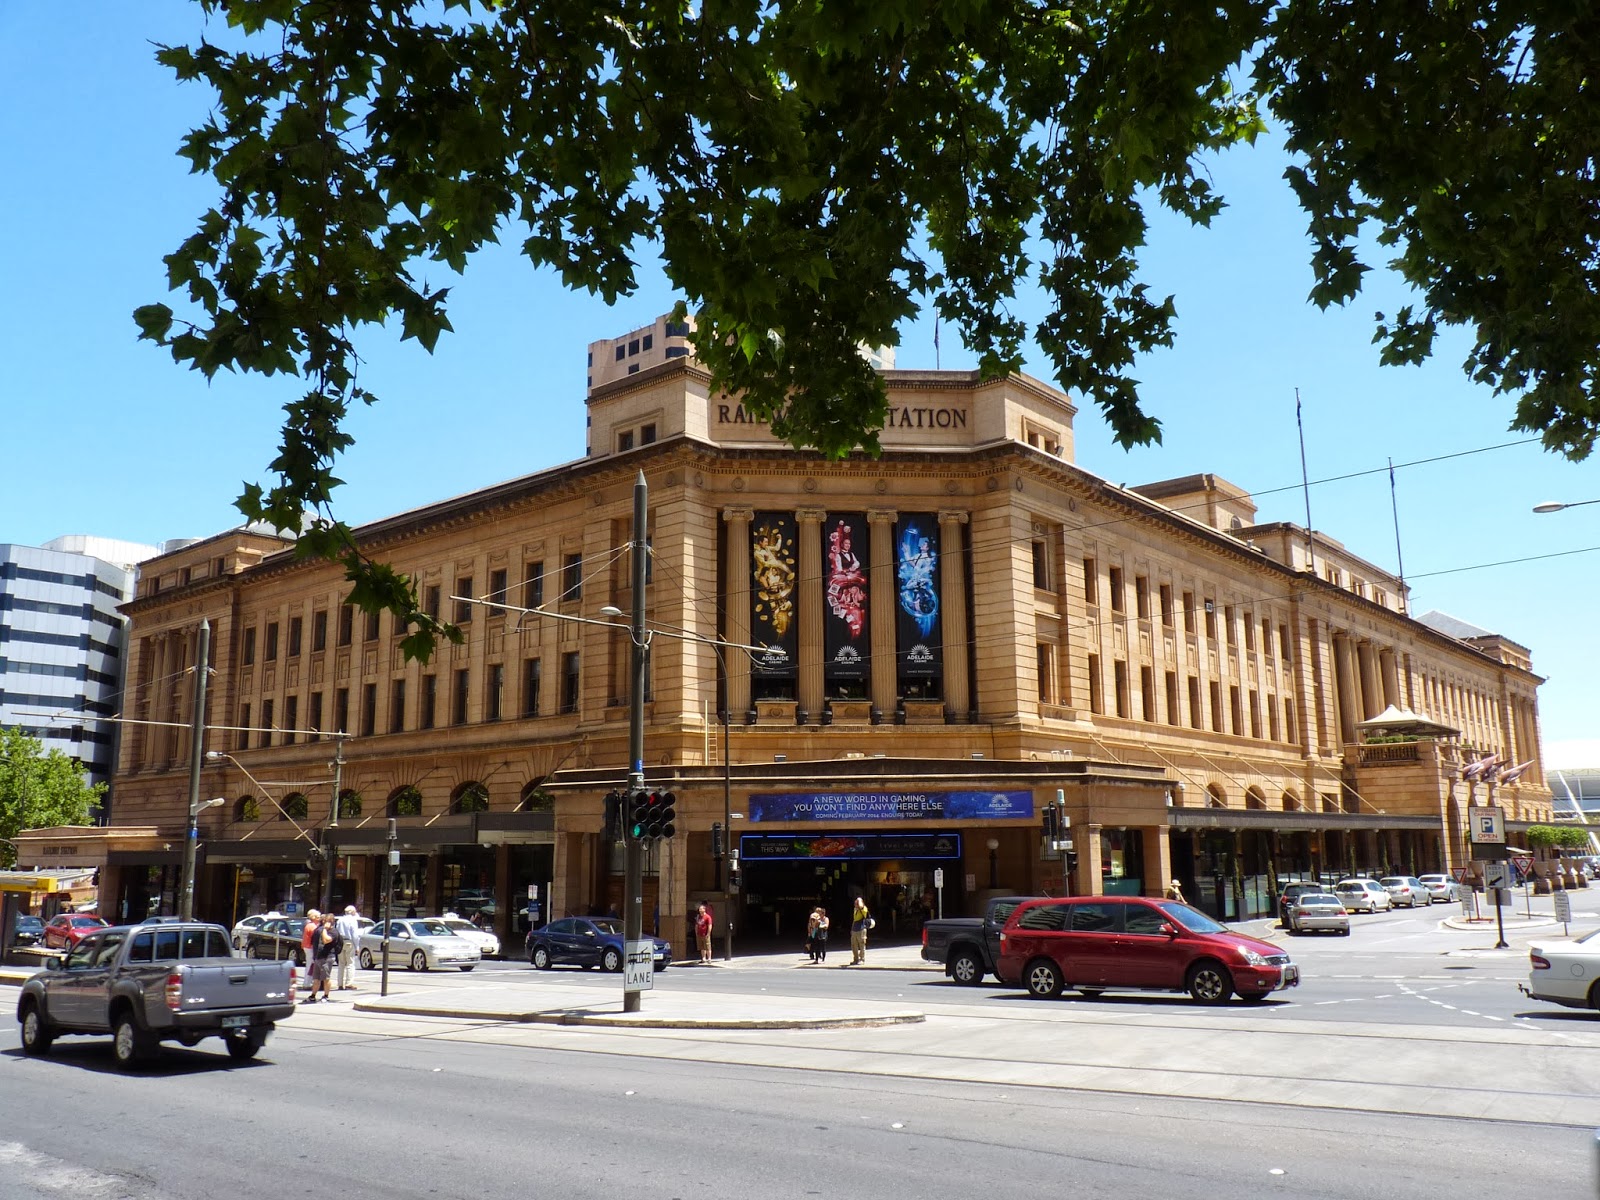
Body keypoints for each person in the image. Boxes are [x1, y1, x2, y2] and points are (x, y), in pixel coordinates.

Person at [335, 905, 362, 990]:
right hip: (349, 942)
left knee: (341, 963)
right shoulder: (353, 920)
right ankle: (348, 983)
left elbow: (337, 932)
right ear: (352, 912)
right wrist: (357, 946)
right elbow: (354, 934)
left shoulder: (340, 920)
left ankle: (340, 984)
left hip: (340, 942)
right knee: (350, 963)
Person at [848, 897, 872, 965]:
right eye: (855, 902)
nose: (856, 904)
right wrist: (852, 929)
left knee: (861, 945)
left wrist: (859, 900)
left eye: (857, 902)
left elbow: (861, 906)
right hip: (854, 928)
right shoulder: (855, 909)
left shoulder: (864, 908)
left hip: (861, 928)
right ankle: (855, 959)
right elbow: (854, 919)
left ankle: (862, 959)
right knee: (853, 945)